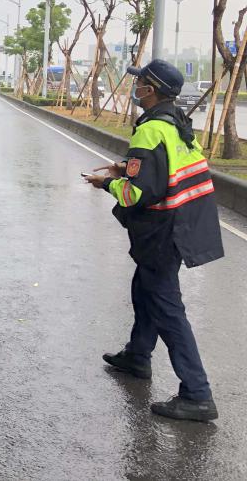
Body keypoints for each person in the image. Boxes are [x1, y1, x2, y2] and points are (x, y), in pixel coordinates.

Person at [84, 59, 223, 423]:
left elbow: (136, 194)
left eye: (141, 82)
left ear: (152, 89)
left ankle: (197, 393)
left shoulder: (150, 129)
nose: (136, 87)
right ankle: (138, 355)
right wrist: (123, 167)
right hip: (183, 221)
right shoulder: (174, 121)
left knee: (166, 306)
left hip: (164, 227)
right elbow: (159, 170)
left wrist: (108, 183)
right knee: (144, 287)